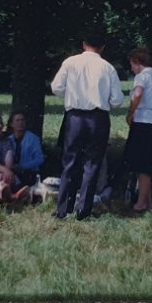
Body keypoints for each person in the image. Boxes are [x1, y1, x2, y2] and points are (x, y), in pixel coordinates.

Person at [50, 31, 125, 220]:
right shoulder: (107, 68)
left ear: (84, 44)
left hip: (74, 116)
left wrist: (71, 94)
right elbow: (117, 100)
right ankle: (83, 210)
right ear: (103, 48)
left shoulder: (70, 62)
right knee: (92, 164)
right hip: (98, 118)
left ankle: (62, 209)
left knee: (70, 161)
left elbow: (56, 87)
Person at [124, 47, 152, 213]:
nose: (132, 69)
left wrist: (130, 112)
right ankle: (148, 201)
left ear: (137, 62)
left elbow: (138, 93)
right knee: (148, 162)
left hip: (143, 121)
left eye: (132, 65)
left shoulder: (142, 76)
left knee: (142, 164)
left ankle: (140, 203)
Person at [6, 110, 45, 190]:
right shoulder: (8, 140)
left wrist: (23, 166)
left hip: (29, 173)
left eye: (22, 120)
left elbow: (40, 159)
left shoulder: (33, 139)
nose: (20, 123)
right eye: (17, 120)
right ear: (11, 124)